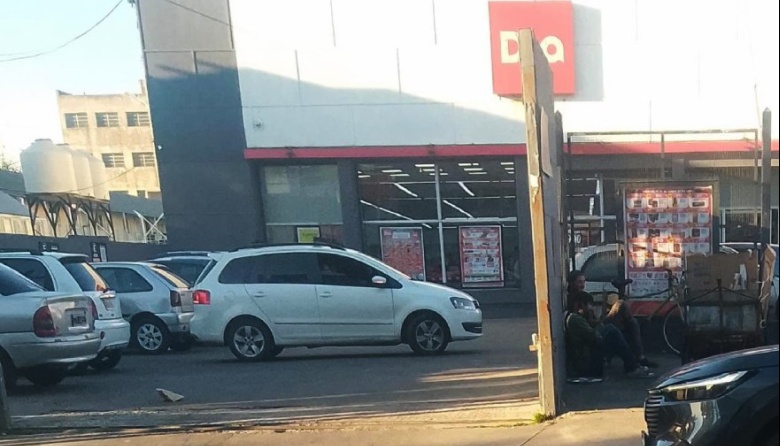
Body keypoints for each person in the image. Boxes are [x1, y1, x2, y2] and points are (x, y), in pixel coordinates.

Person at [566, 270, 658, 369]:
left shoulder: (583, 296)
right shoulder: (574, 300)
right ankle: (638, 358)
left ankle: (640, 356)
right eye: (579, 282)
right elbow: (589, 325)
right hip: (595, 329)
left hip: (596, 325)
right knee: (620, 305)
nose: (582, 285)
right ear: (572, 283)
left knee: (632, 322)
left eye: (584, 282)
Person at [564, 291, 654, 379]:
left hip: (589, 358)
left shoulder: (579, 318)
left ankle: (634, 364)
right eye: (589, 305)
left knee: (621, 330)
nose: (591, 308)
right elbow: (596, 337)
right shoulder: (575, 319)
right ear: (580, 305)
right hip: (587, 365)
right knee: (611, 330)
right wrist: (598, 324)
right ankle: (632, 367)